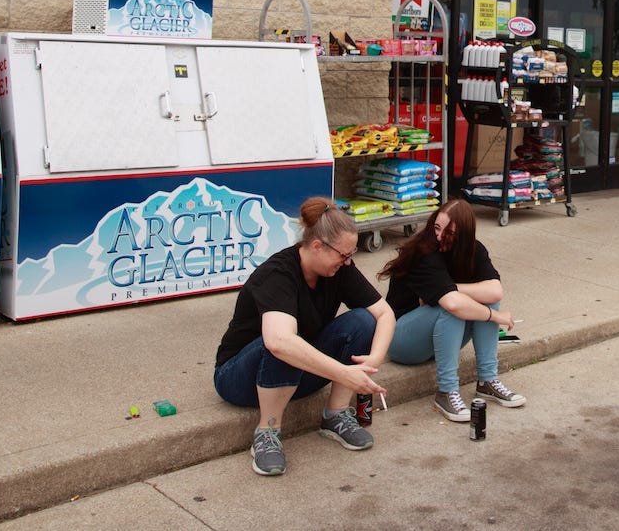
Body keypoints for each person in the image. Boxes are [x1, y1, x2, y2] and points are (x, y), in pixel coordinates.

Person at [213, 197, 396, 476]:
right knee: (286, 340)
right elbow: (279, 342)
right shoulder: (277, 273)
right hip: (239, 378)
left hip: (296, 373)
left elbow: (384, 314)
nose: (348, 262)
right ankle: (267, 432)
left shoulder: (339, 269)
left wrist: (374, 358)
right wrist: (345, 373)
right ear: (317, 246)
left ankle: (335, 415)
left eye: (352, 254)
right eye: (344, 255)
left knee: (362, 320)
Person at [379, 198, 525, 421]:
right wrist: (494, 316)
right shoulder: (425, 251)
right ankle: (446, 391)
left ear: (464, 235)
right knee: (452, 306)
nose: (439, 236)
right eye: (436, 227)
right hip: (402, 339)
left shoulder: (474, 250)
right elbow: (452, 304)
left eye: (448, 232)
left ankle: (488, 381)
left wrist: (452, 288)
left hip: (440, 337)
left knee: (476, 299)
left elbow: (495, 291)